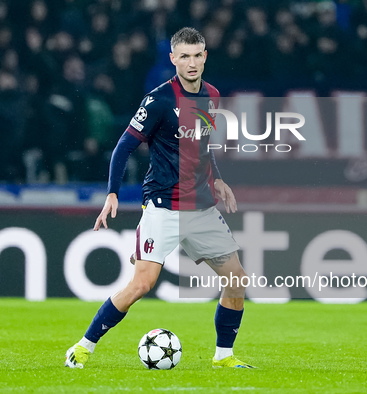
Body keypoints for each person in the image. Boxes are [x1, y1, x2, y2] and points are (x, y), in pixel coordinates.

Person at [65, 27, 255, 369]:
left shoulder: (210, 96)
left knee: (237, 279)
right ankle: (83, 346)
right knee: (142, 283)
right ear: (173, 59)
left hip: (201, 206)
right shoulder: (160, 100)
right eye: (184, 56)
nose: (192, 62)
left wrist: (220, 179)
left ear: (205, 55)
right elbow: (124, 145)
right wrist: (111, 192)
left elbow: (203, 143)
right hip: (163, 206)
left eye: (197, 55)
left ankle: (223, 357)